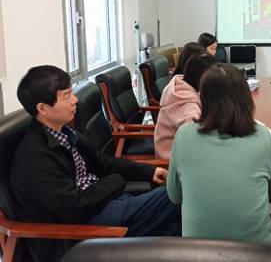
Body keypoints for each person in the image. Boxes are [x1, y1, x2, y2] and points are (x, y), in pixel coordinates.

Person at [11, 66, 180, 262]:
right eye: (66, 96)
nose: (75, 100)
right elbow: (75, 206)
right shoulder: (35, 157)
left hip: (103, 202)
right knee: (176, 194)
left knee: (176, 225)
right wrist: (116, 182)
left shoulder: (64, 132)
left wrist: (149, 172)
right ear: (42, 108)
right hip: (82, 227)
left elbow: (102, 162)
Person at [167, 63, 271, 242]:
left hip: (196, 252)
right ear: (245, 99)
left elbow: (175, 196)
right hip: (258, 252)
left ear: (203, 98)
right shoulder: (262, 135)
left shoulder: (183, 135)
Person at [155, 52, 218, 159]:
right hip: (171, 160)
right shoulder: (188, 105)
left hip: (175, 151)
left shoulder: (180, 85)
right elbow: (197, 140)